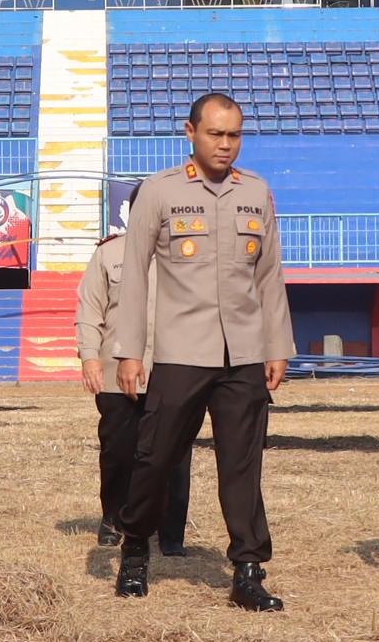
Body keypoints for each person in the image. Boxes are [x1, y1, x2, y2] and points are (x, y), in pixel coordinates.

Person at [111, 91, 294, 610]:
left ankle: (248, 569)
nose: (225, 145)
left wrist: (277, 345)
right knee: (155, 457)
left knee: (243, 463)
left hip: (243, 353)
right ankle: (135, 551)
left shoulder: (256, 193)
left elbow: (270, 276)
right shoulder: (160, 191)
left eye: (234, 135)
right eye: (215, 134)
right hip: (179, 351)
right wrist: (130, 351)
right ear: (189, 133)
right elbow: (135, 278)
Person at [76, 204, 191, 554]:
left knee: (174, 453)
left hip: (174, 371)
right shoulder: (109, 253)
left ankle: (171, 533)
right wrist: (90, 357)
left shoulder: (188, 257)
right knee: (119, 452)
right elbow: (90, 308)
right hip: (116, 374)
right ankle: (114, 516)